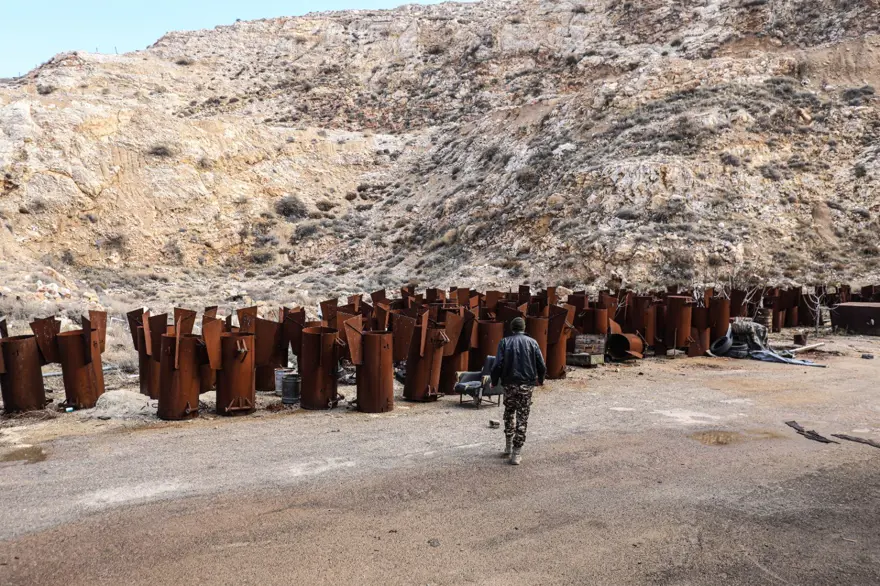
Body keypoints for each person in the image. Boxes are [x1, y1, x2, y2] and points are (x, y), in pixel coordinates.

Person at [490, 316, 546, 465]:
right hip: (526, 385)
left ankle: (508, 446)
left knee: (509, 413)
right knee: (522, 417)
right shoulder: (533, 342)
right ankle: (516, 453)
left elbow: (497, 365)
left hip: (509, 384)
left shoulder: (504, 342)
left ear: (512, 328)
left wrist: (494, 381)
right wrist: (540, 380)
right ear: (524, 328)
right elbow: (541, 364)